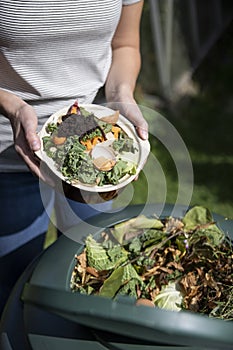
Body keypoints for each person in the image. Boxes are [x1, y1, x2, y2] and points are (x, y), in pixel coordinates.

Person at [0, 0, 148, 315]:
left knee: (91, 279)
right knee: (11, 287)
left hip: (89, 149)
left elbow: (125, 44)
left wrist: (120, 96)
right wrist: (13, 107)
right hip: (8, 154)